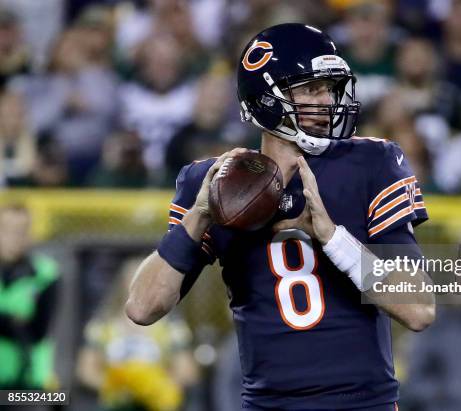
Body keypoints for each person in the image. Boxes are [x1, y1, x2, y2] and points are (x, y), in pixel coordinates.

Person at [126, 23, 435, 410]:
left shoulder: (372, 163)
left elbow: (420, 307)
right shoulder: (214, 181)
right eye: (310, 89)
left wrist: (332, 237)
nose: (325, 101)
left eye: (328, 88)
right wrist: (199, 216)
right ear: (265, 99)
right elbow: (141, 308)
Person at [77, 257, 198, 411]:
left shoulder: (172, 328)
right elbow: (85, 370)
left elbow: (187, 371)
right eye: (137, 278)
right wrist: (117, 386)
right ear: (123, 283)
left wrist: (154, 387)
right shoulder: (102, 326)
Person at [0, 204, 60, 392]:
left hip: (30, 381)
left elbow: (38, 329)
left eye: (21, 231)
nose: (13, 238)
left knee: (59, 398)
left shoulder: (45, 273)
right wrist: (14, 321)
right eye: (7, 230)